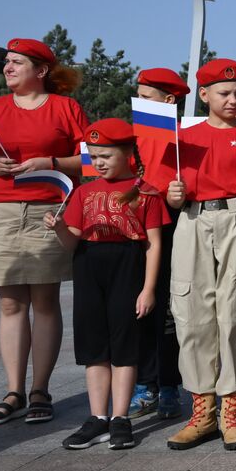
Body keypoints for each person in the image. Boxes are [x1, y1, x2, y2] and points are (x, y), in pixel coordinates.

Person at [0, 38, 88, 428]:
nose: (7, 68)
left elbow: (94, 156)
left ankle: (40, 390)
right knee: (10, 304)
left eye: (17, 63)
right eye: (6, 63)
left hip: (50, 211)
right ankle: (13, 391)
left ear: (40, 71)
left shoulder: (66, 108)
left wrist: (52, 161)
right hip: (0, 213)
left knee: (45, 301)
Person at [164, 59, 236, 451]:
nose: (233, 100)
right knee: (191, 318)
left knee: (235, 317)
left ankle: (232, 412)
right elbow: (165, 187)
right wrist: (172, 196)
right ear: (204, 94)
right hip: (193, 224)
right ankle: (201, 412)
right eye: (224, 93)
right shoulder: (182, 137)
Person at [45, 119, 168, 449]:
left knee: (124, 346)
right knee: (94, 347)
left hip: (128, 267)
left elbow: (153, 244)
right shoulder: (82, 192)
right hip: (88, 266)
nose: (98, 162)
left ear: (128, 152)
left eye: (106, 155)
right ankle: (96, 417)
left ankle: (120, 417)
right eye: (94, 155)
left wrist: (148, 288)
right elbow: (71, 243)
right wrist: (58, 227)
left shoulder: (145, 192)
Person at [131, 67, 187, 421]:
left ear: (170, 101)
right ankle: (142, 383)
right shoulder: (128, 136)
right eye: (137, 96)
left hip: (171, 225)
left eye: (146, 97)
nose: (138, 103)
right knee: (137, 310)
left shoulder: (184, 139)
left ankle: (168, 384)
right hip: (132, 228)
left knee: (168, 311)